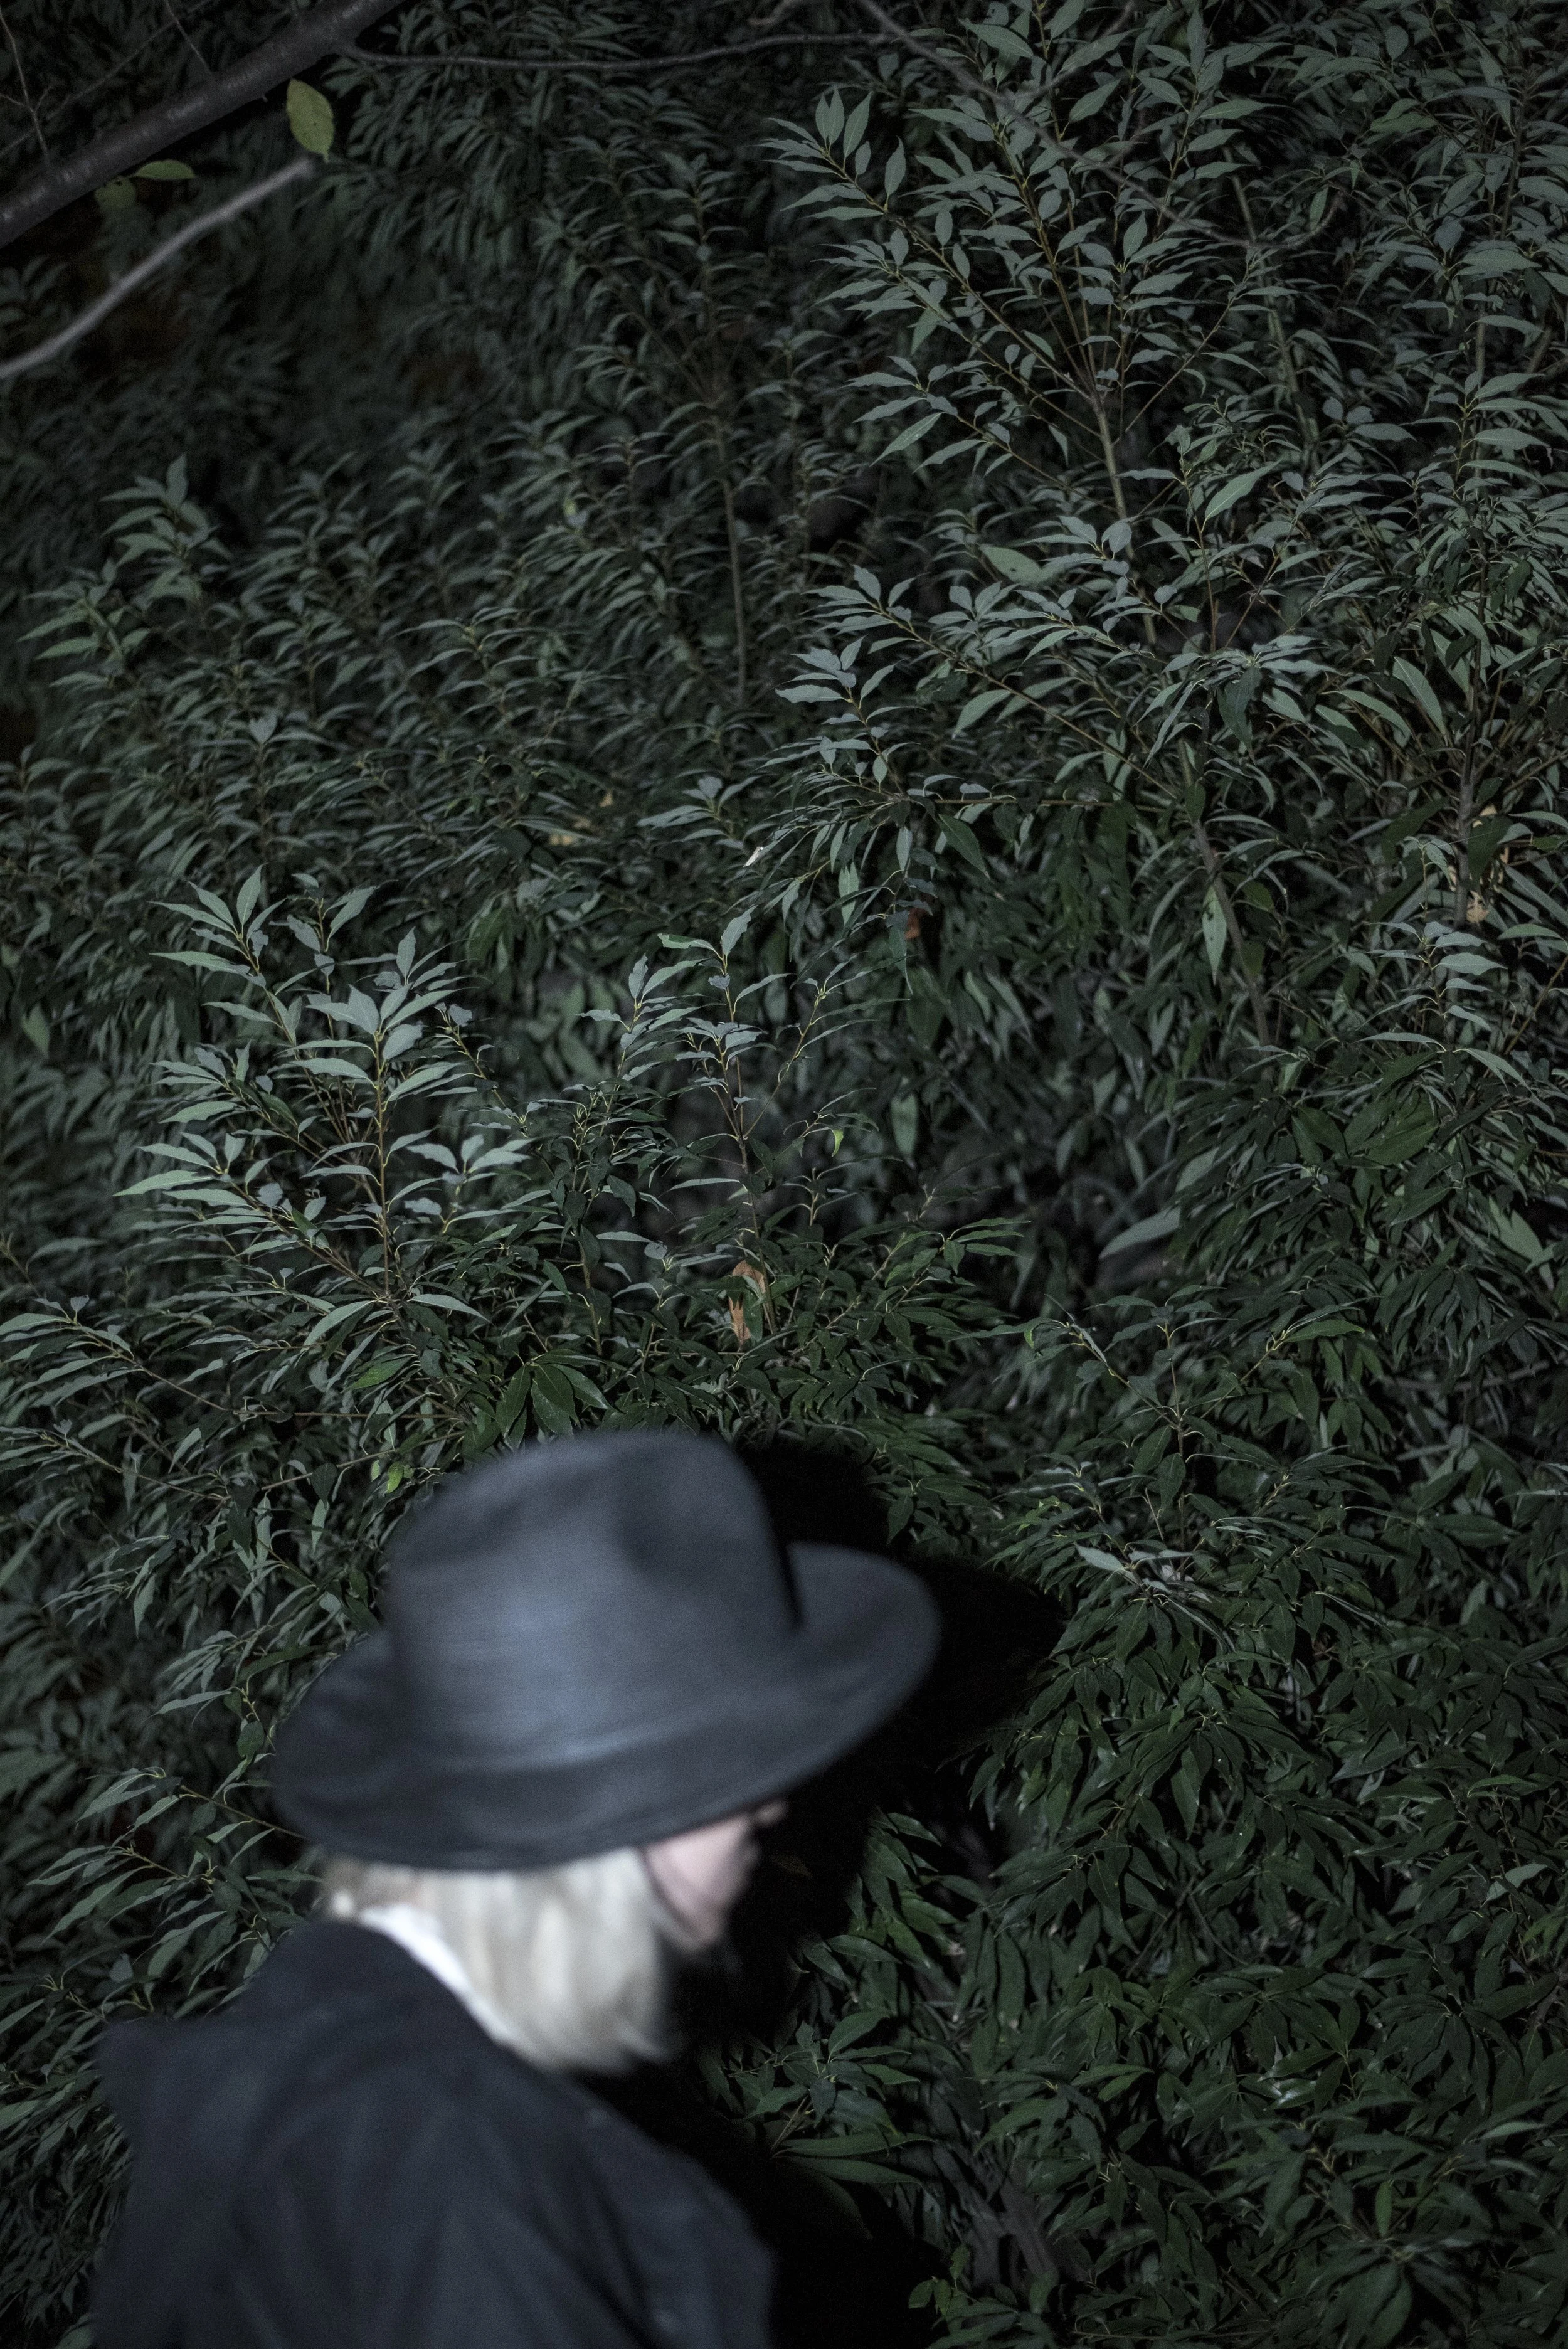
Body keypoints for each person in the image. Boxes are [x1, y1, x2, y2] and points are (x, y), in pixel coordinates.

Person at [93, 1428, 940, 2349]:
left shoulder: (322, 2061)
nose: (772, 1805)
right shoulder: (456, 2167)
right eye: (731, 1770)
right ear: (620, 1835)